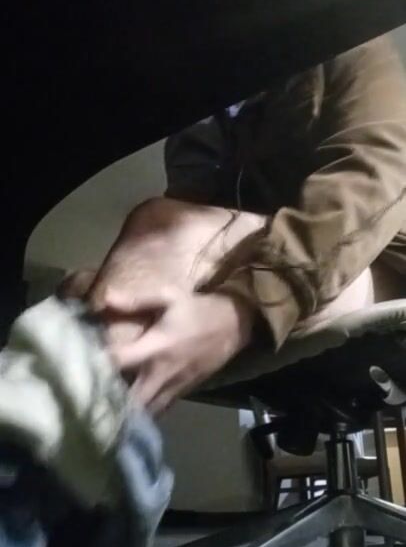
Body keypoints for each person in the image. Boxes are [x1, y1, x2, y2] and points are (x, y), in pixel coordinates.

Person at [61, 34, 406, 415]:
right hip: (269, 252)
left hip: (379, 259)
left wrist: (241, 305)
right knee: (89, 288)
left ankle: (68, 418)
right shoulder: (198, 119)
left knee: (159, 226)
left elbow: (379, 171)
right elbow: (190, 216)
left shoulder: (346, 43)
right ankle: (78, 417)